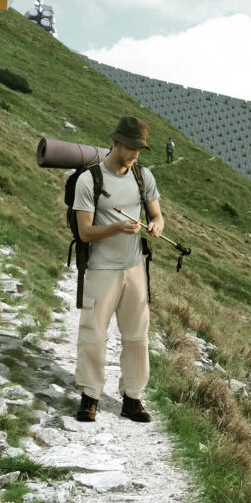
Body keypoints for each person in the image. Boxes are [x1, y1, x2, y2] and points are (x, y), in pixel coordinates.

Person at [71, 116, 164, 423]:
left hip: (135, 267)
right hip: (100, 268)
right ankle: (90, 396)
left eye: (140, 149)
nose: (135, 154)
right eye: (131, 148)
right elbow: (85, 233)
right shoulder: (89, 180)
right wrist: (117, 227)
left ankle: (132, 398)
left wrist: (154, 226)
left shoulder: (143, 177)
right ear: (115, 142)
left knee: (137, 335)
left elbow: (157, 215)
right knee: (94, 333)